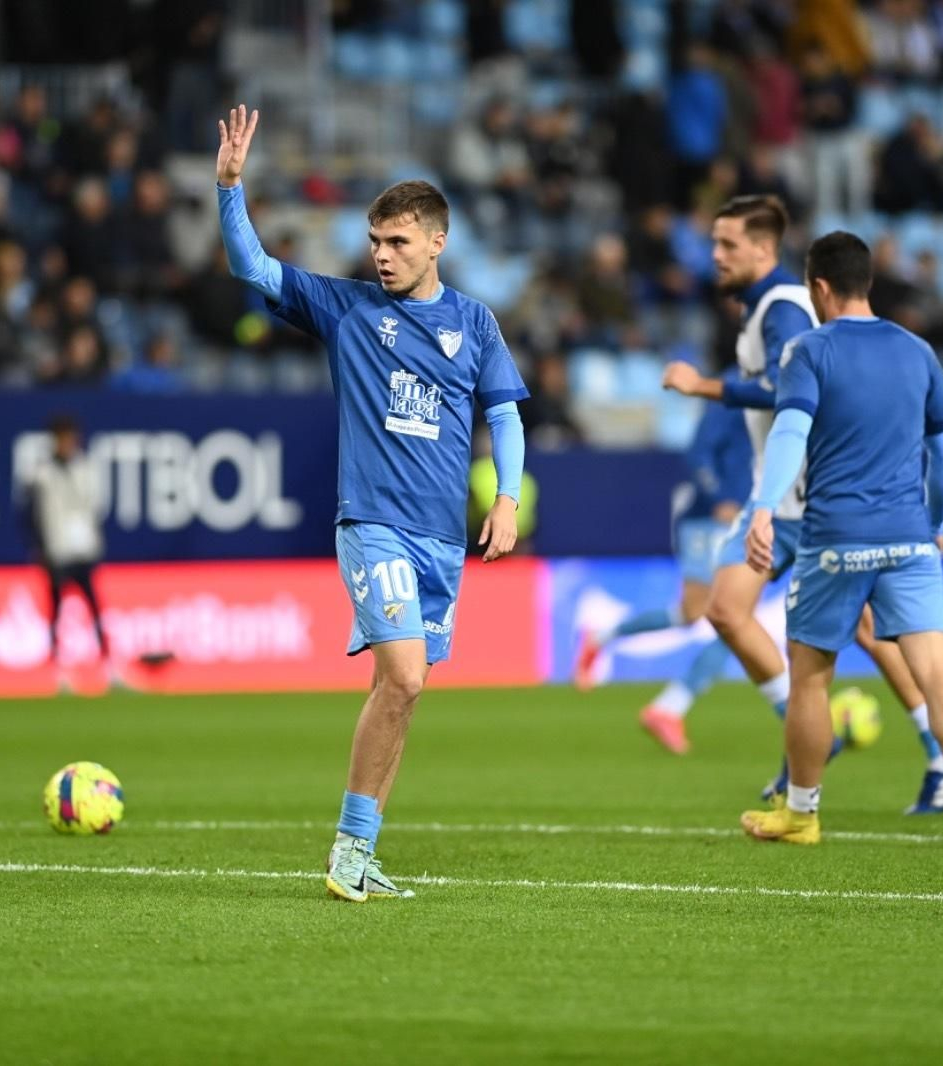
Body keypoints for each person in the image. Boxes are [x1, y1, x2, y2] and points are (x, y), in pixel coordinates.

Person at [215, 105, 528, 903]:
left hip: (441, 540)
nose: (381, 256)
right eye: (375, 241)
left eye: (397, 242)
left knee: (401, 693)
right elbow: (254, 270)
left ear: (436, 242)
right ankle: (349, 851)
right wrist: (229, 189)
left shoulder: (475, 324)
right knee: (407, 680)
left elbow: (505, 414)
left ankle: (366, 850)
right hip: (374, 526)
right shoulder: (348, 308)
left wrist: (505, 500)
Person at [662, 196, 943, 814]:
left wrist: (704, 387)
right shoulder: (765, 309)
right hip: (794, 496)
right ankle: (934, 755)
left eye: (728, 245)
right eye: (714, 243)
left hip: (800, 500)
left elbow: (782, 391)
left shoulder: (785, 310)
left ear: (765, 250)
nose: (715, 256)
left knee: (737, 610)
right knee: (851, 631)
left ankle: (903, 751)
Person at [739, 230, 943, 848]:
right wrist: (933, 520)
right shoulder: (918, 351)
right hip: (909, 539)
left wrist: (763, 506)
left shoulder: (809, 350)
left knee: (810, 678)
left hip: (835, 538)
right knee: (938, 672)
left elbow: (790, 434)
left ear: (819, 287)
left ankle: (801, 812)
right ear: (869, 283)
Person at [574, 394, 751, 754]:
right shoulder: (734, 392)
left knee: (728, 618)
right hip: (709, 518)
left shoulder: (775, 386)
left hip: (747, 517)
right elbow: (699, 453)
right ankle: (664, 702)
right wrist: (719, 497)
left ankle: (663, 701)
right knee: (709, 614)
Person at [24, 414, 117, 686]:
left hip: (83, 549)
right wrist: (40, 548)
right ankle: (58, 671)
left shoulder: (85, 467)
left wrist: (94, 540)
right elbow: (30, 515)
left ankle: (109, 667)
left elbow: (95, 508)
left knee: (96, 608)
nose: (68, 443)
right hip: (57, 551)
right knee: (57, 611)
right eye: (63, 438)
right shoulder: (41, 474)